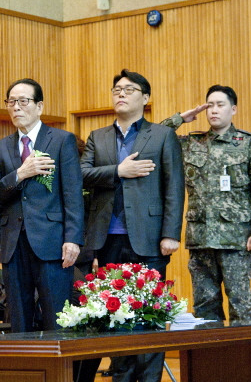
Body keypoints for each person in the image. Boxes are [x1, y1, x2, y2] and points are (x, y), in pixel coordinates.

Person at [80, 69, 185, 382]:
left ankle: (150, 378)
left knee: (150, 313)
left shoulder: (162, 135)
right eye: (116, 89)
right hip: (106, 238)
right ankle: (121, 376)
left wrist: (170, 233)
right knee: (115, 311)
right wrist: (118, 170)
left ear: (145, 98)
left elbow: (174, 186)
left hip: (150, 238)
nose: (121, 94)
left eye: (128, 89)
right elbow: (81, 174)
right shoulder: (97, 137)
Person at [160, 85, 251, 324]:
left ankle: (243, 360)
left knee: (239, 303)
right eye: (209, 105)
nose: (213, 110)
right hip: (200, 239)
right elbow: (155, 138)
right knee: (204, 307)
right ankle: (211, 362)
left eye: (220, 105)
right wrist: (181, 118)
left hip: (235, 239)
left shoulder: (247, 143)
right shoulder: (193, 143)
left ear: (233, 109)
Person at [0, 78, 84, 333]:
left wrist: (73, 239)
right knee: (18, 319)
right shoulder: (0, 148)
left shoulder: (62, 140)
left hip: (52, 243)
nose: (16, 107)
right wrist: (20, 173)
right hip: (13, 245)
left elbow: (73, 194)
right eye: (11, 102)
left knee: (57, 318)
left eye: (23, 101)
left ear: (39, 106)